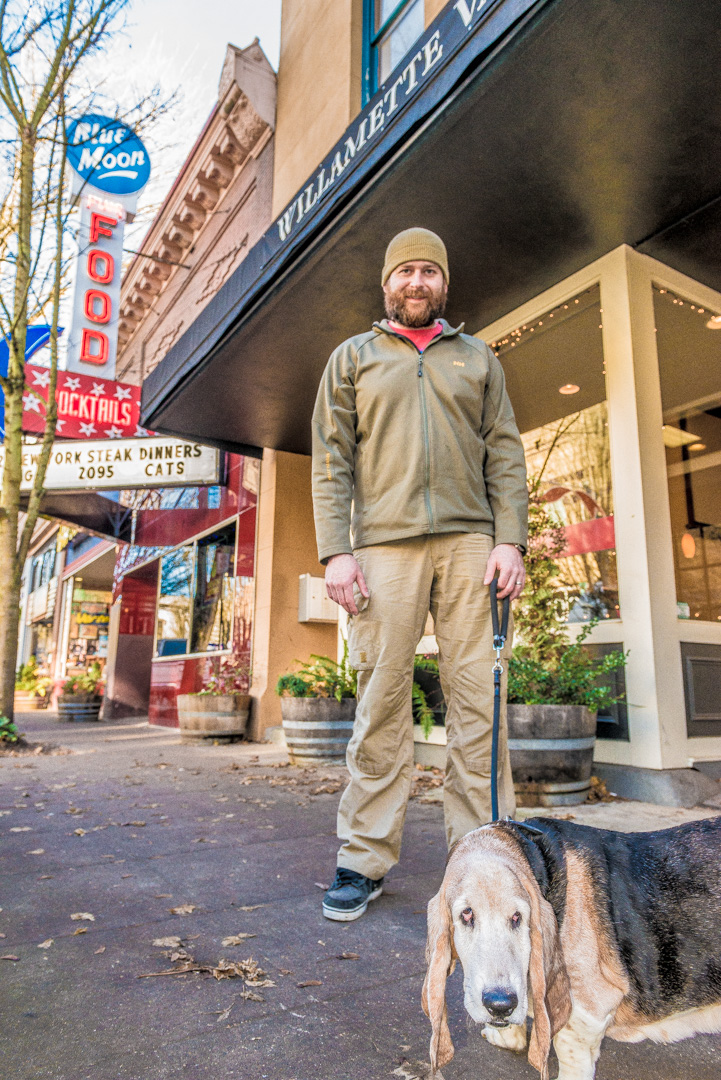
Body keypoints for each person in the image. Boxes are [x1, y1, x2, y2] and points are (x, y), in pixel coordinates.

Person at [311, 227, 528, 921]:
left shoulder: (477, 358)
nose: (416, 281)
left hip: (471, 545)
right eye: (404, 271)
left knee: (478, 702)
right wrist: (336, 551)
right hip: (383, 548)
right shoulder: (353, 358)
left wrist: (511, 540)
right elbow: (331, 460)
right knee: (381, 702)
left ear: (443, 284)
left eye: (428, 271)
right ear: (386, 284)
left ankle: (485, 855)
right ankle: (362, 858)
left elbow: (504, 453)